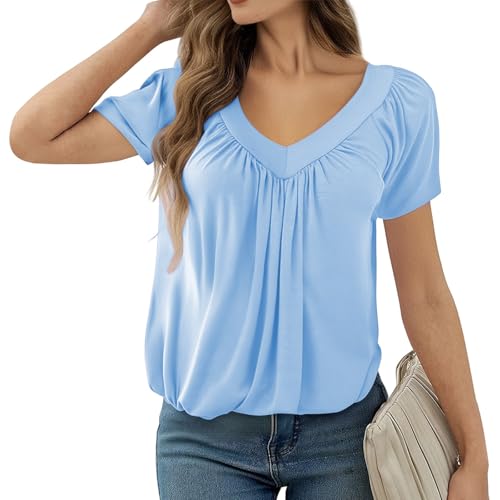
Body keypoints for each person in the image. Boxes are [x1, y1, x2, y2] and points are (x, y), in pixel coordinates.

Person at [10, 0, 489, 498]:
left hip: (347, 439)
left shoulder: (397, 105)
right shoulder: (188, 95)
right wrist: (149, 28)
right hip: (204, 445)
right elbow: (33, 137)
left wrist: (474, 455)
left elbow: (425, 293)